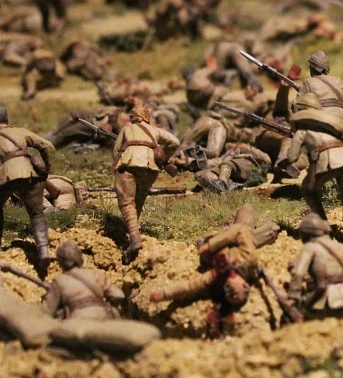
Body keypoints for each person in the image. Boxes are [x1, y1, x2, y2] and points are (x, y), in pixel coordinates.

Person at [278, 93, 343, 266]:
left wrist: (286, 156)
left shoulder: (302, 131)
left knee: (308, 190)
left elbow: (292, 157)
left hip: (324, 163)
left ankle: (324, 229)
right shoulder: (335, 124)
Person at [149, 205, 259, 338]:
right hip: (228, 239)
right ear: (245, 285)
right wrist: (212, 245)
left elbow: (191, 285)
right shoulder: (249, 258)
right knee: (247, 212)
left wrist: (165, 294)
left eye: (228, 293)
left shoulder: (218, 275)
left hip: (212, 241)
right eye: (233, 290)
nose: (228, 289)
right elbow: (242, 230)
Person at [111, 101, 180, 263]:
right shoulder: (155, 130)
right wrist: (163, 157)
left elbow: (116, 151)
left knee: (127, 202)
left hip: (130, 165)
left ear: (133, 117)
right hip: (151, 168)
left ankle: (134, 238)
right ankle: (132, 231)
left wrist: (120, 161)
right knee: (139, 200)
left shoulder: (126, 129)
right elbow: (175, 142)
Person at [0, 105, 56, 270]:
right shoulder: (21, 131)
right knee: (37, 215)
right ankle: (44, 251)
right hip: (30, 174)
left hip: (6, 177)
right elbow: (48, 146)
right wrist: (47, 171)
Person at [286, 214, 343, 318]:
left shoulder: (310, 247)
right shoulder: (340, 246)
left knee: (306, 316)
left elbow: (298, 272)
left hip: (327, 298)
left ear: (306, 234)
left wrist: (292, 296)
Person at [42, 241, 124, 320]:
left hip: (78, 321)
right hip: (104, 318)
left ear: (61, 262)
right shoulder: (95, 274)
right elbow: (119, 295)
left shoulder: (59, 281)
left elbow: (47, 312)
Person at [295, 50, 343, 124]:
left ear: (312, 68)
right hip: (342, 120)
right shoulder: (339, 81)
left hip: (319, 119)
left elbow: (298, 106)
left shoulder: (308, 82)